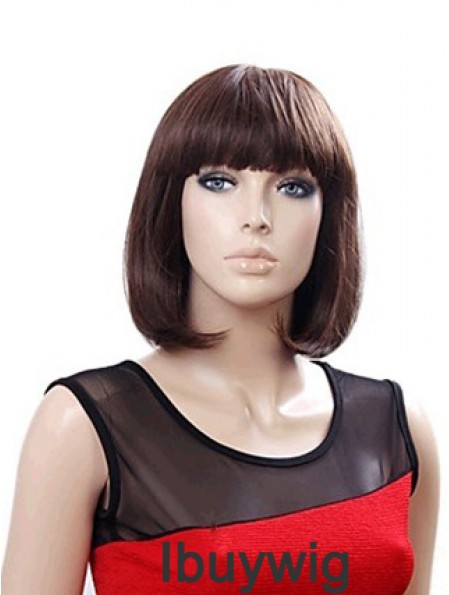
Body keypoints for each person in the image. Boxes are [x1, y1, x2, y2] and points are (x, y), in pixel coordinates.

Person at [1, 64, 439, 594]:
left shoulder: (395, 430)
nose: (257, 216)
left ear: (329, 213)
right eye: (219, 182)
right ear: (173, 201)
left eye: (293, 187)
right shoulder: (84, 426)